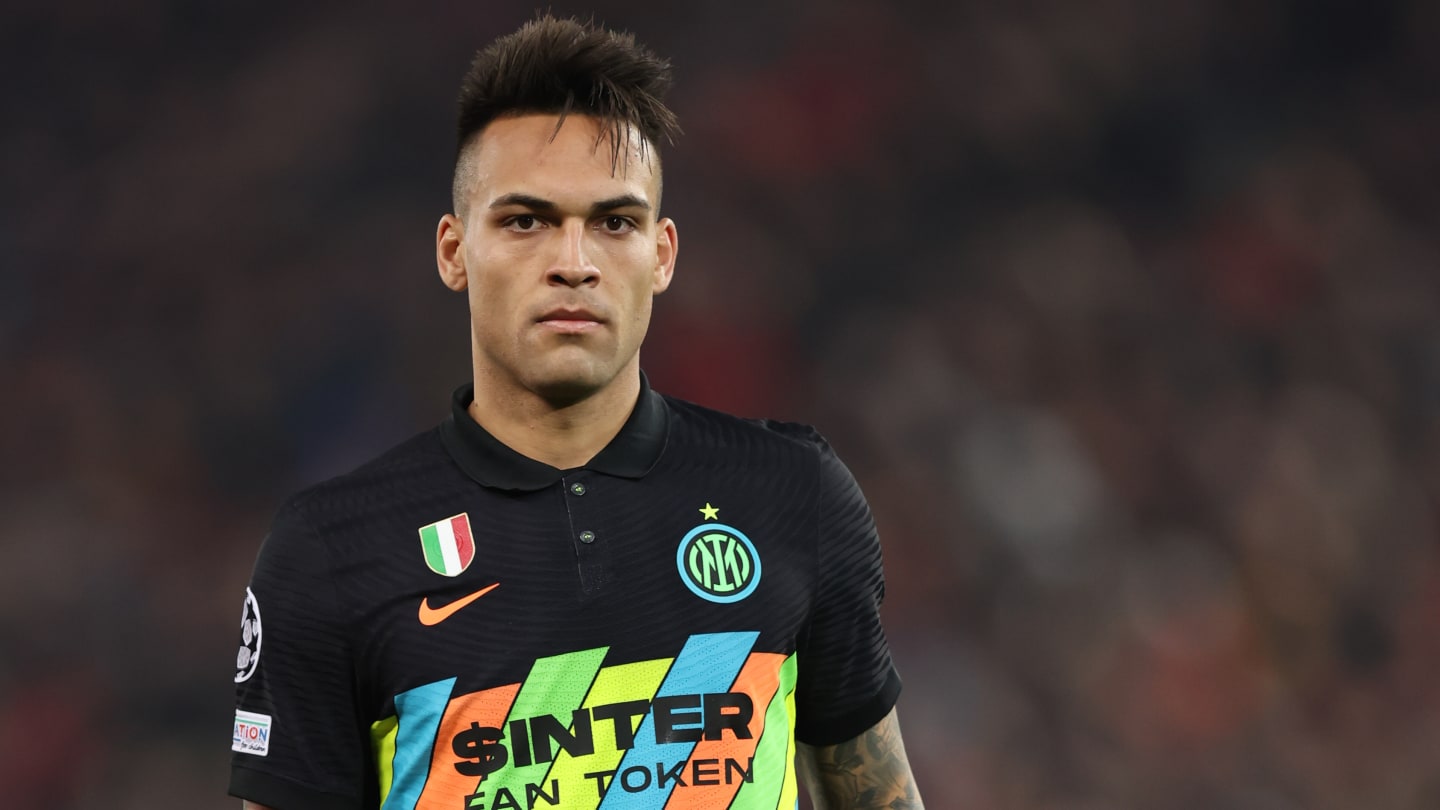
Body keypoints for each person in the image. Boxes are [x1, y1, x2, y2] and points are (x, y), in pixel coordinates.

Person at [229, 14, 924, 810]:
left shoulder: (794, 493)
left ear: (661, 254)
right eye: (525, 221)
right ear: (455, 252)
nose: (573, 263)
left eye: (614, 222)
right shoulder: (330, 551)